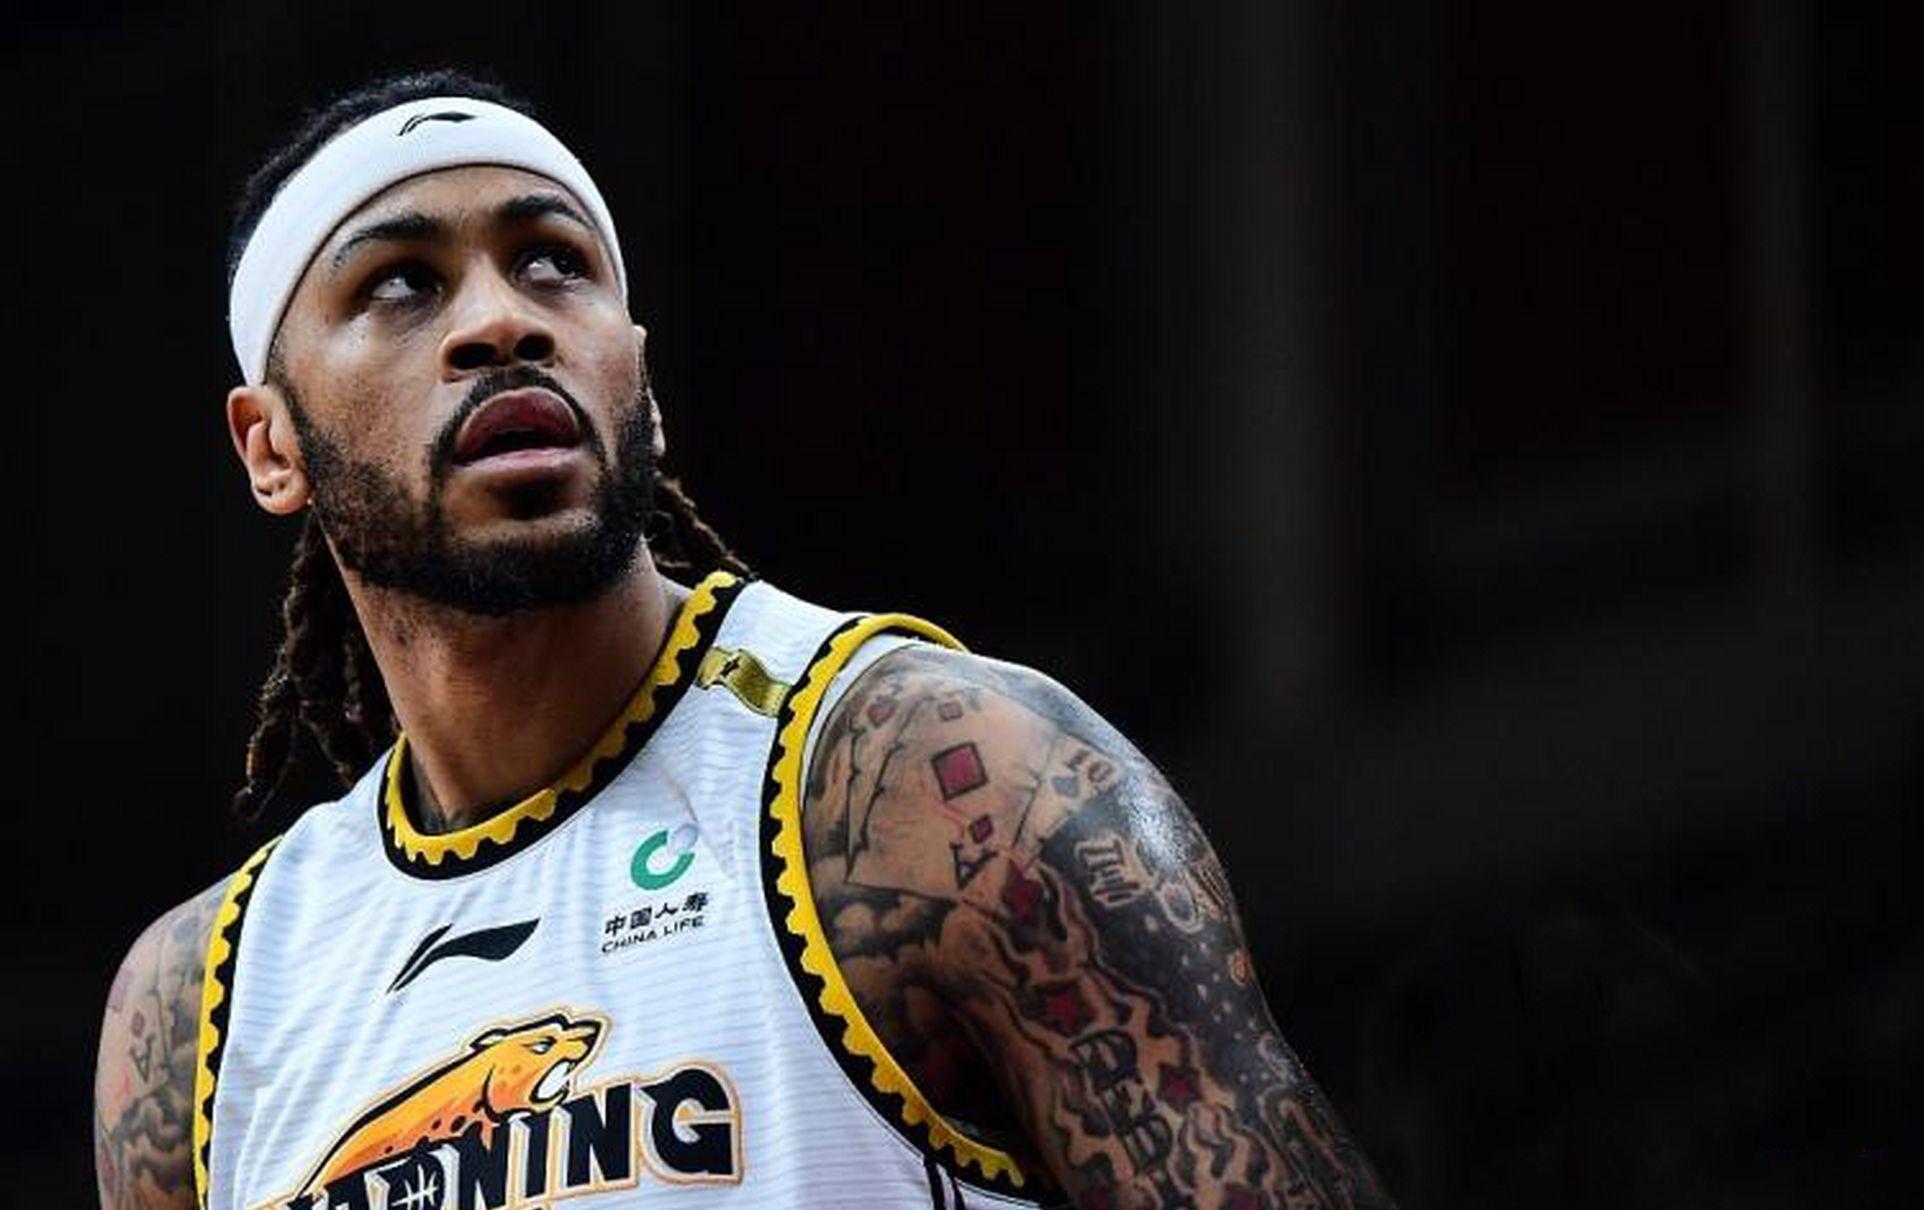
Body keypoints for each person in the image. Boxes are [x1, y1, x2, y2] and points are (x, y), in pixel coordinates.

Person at [92, 70, 1393, 1210]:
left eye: (553, 262)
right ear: (270, 445)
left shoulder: (934, 783)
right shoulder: (197, 1011)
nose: (501, 320)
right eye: (402, 284)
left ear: (639, 378)